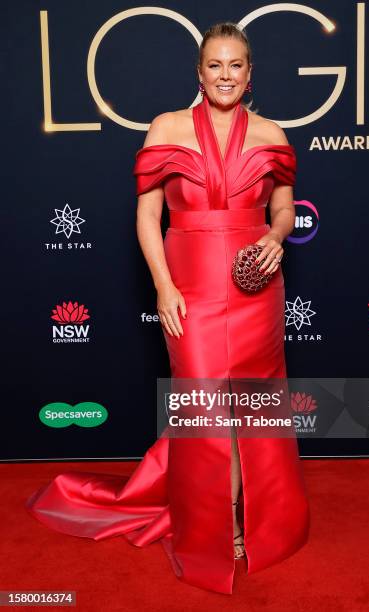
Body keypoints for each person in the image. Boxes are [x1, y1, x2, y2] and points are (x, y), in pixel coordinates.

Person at [25, 22, 310, 595]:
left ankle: (240, 520)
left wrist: (276, 240)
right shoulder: (167, 127)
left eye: (236, 65)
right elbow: (146, 217)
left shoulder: (272, 134)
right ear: (198, 72)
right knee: (205, 405)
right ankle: (202, 521)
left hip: (257, 288)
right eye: (214, 65)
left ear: (251, 74)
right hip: (193, 286)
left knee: (250, 408)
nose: (225, 76)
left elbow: (283, 210)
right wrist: (163, 285)